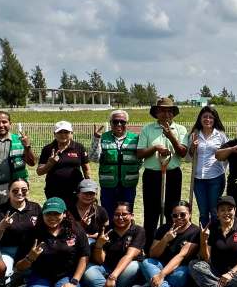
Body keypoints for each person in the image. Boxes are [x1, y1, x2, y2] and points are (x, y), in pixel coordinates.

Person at [12, 197, 90, 287]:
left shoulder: (75, 230)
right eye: (48, 213)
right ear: (42, 214)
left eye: (56, 214)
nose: (52, 217)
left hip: (66, 276)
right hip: (41, 277)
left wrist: (74, 281)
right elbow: (18, 267)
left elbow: (84, 256)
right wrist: (30, 258)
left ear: (64, 214)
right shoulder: (32, 233)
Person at [138, 98, 189, 251]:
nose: (166, 114)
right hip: (152, 175)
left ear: (173, 113)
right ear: (156, 112)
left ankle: (169, 246)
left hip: (173, 174)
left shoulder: (181, 129)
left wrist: (171, 137)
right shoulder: (147, 129)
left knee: (172, 210)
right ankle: (149, 248)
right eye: (162, 110)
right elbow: (139, 153)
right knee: (151, 212)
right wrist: (155, 148)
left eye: (169, 111)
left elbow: (182, 152)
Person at [131, 201, 200, 287]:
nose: (179, 218)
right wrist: (165, 239)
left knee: (181, 275)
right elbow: (153, 254)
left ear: (190, 214)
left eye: (183, 214)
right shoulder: (164, 228)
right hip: (160, 265)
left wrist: (161, 275)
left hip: (179, 268)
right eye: (175, 215)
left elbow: (181, 257)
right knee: (146, 262)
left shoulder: (196, 232)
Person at [82, 202, 143, 287]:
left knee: (135, 266)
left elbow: (129, 256)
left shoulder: (138, 230)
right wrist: (99, 245)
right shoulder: (107, 230)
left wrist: (113, 277)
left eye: (124, 214)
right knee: (88, 269)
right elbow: (100, 260)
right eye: (117, 214)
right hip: (107, 268)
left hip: (125, 270)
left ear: (131, 215)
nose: (120, 217)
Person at [0, 177, 42, 283]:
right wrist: (1, 228)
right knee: (4, 275)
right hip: (6, 251)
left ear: (28, 191)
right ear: (8, 192)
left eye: (24, 190)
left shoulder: (35, 208)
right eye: (15, 190)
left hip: (30, 250)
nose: (19, 193)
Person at [90, 110, 141, 217]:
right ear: (110, 123)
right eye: (115, 121)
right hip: (108, 185)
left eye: (122, 122)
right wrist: (96, 139)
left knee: (126, 213)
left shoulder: (136, 139)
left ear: (127, 123)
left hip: (128, 184)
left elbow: (140, 160)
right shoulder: (102, 138)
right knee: (108, 213)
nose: (119, 124)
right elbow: (94, 158)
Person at [188, 106, 229, 227]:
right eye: (205, 116)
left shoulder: (220, 135)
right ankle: (203, 240)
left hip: (215, 178)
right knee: (203, 212)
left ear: (215, 119)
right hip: (198, 179)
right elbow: (188, 156)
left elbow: (226, 155)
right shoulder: (194, 135)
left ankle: (215, 240)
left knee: (214, 211)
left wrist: (223, 170)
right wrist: (192, 148)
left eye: (211, 117)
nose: (208, 119)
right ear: (200, 118)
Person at [37, 121, 90, 209]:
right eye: (60, 132)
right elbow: (39, 172)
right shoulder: (48, 149)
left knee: (75, 216)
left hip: (75, 190)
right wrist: (50, 164)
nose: (63, 135)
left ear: (72, 133)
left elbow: (86, 169)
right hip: (54, 190)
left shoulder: (79, 147)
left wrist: (88, 186)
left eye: (66, 132)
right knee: (57, 215)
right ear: (54, 134)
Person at [67, 178, 109, 245]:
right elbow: (66, 233)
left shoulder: (101, 211)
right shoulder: (69, 210)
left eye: (91, 193)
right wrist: (81, 226)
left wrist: (89, 236)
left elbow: (106, 231)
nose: (88, 196)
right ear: (77, 193)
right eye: (85, 193)